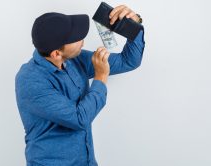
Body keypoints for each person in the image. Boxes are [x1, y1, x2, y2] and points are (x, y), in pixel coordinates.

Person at [15, 4, 145, 166]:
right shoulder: (30, 81)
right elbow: (79, 119)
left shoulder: (74, 58)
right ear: (56, 53)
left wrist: (134, 25)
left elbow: (128, 61)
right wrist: (101, 77)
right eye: (75, 38)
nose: (82, 40)